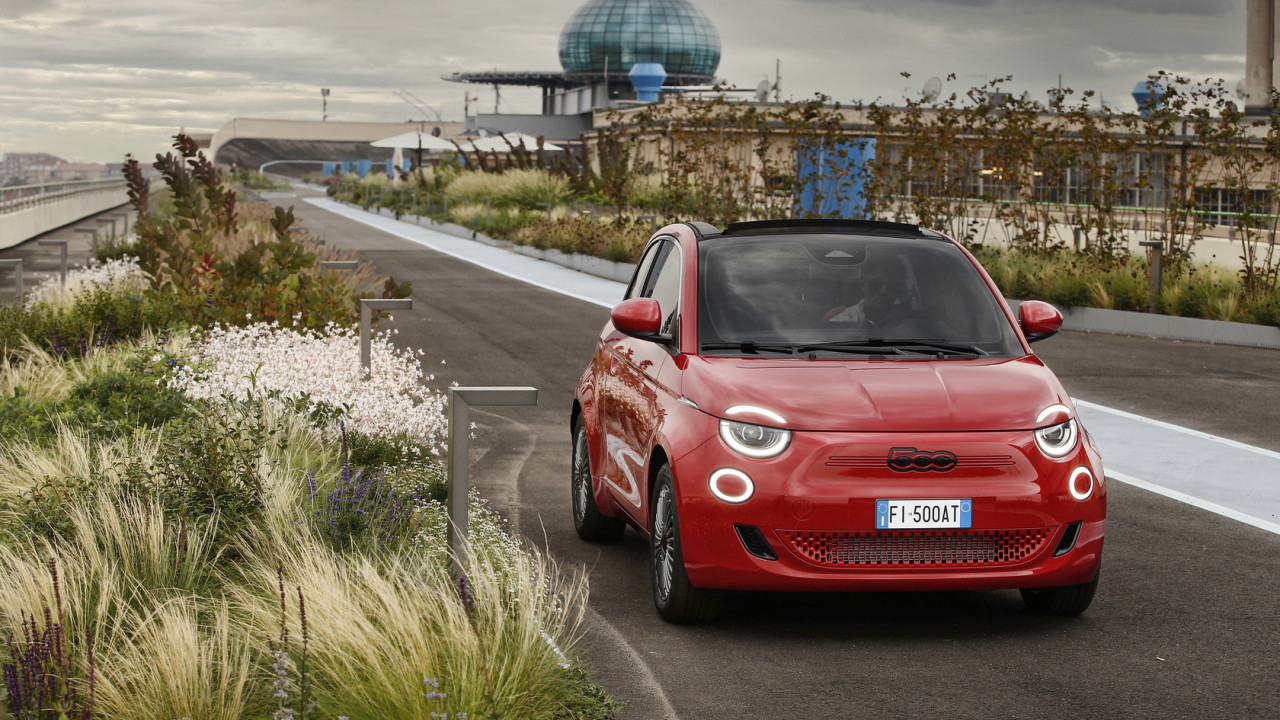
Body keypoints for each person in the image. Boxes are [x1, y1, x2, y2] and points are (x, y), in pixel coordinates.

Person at [823, 254, 912, 326]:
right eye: (876, 284)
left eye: (892, 285)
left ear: (900, 288)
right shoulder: (841, 324)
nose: (883, 291)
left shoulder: (910, 325)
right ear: (862, 285)